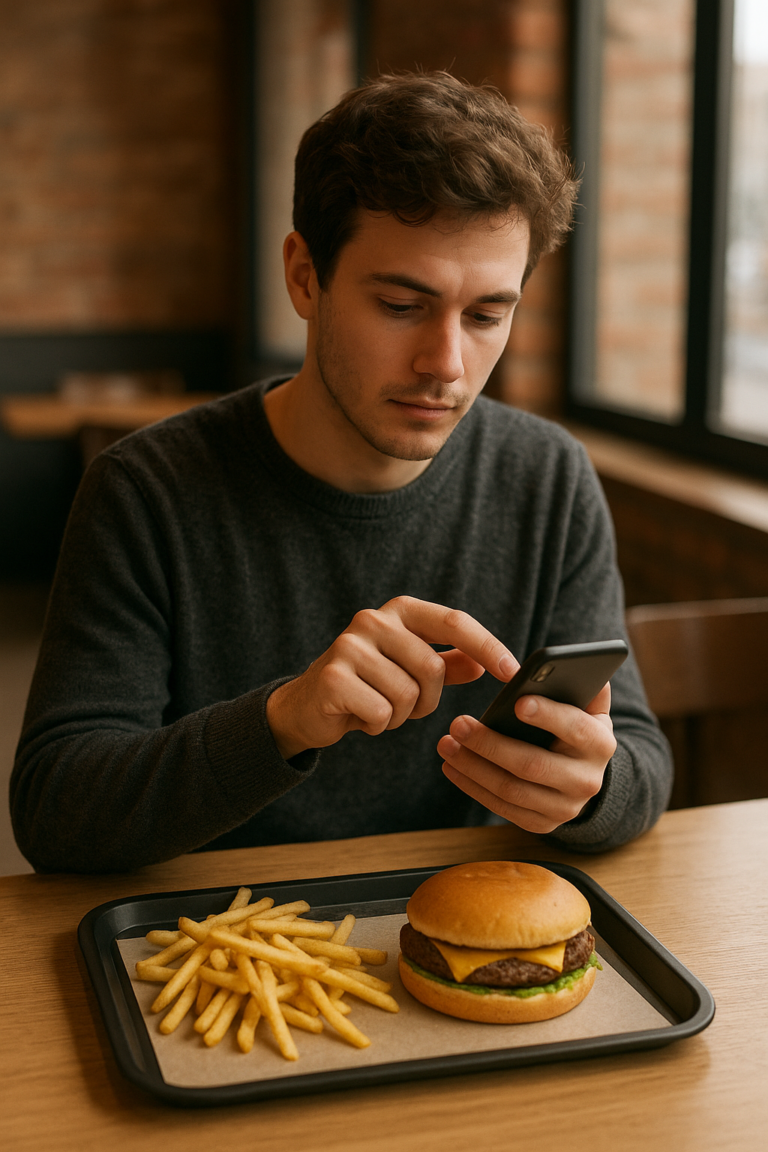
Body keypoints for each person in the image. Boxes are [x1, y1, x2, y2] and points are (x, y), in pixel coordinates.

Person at [10, 72, 672, 873]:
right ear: (303, 276)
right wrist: (284, 719)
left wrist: (590, 790)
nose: (446, 365)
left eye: (488, 315)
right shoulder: (146, 491)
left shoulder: (550, 478)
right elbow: (55, 813)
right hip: (218, 941)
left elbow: (637, 754)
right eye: (400, 305)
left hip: (449, 939)